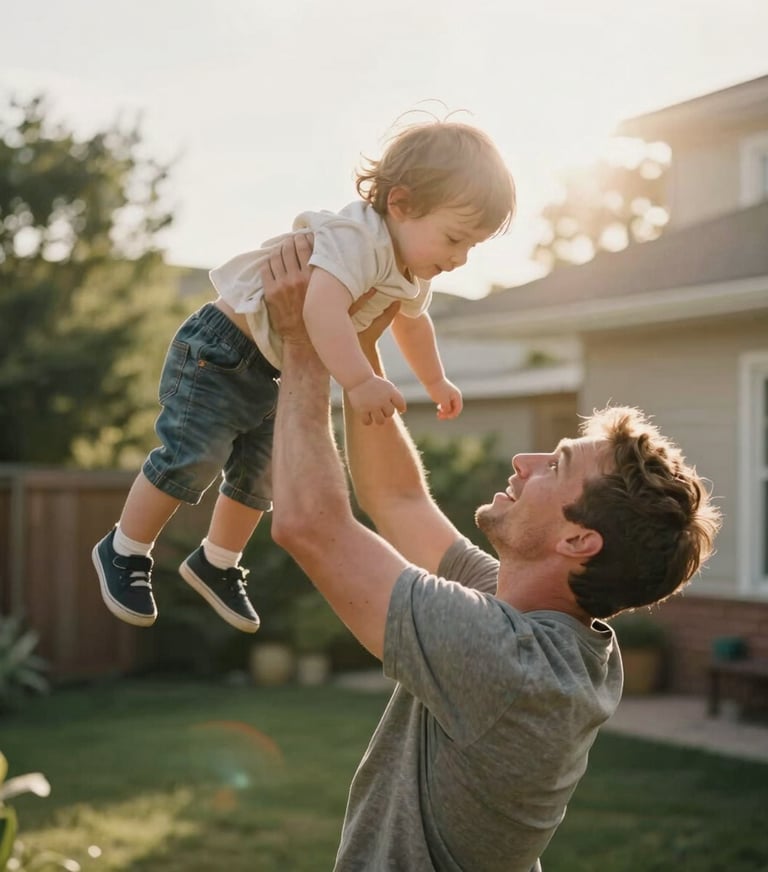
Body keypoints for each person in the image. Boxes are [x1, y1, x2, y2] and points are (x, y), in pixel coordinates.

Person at [261, 237, 722, 871]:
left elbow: (310, 525)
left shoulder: (511, 664)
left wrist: (303, 346)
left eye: (554, 465)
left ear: (577, 541)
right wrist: (360, 349)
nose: (523, 463)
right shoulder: (538, 621)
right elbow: (397, 501)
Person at [92, 118, 516, 634]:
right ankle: (125, 548)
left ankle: (217, 561)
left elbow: (413, 322)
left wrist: (434, 382)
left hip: (270, 368)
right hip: (220, 348)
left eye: (471, 246)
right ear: (402, 204)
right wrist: (358, 382)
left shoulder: (407, 267)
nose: (459, 258)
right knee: (192, 456)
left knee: (265, 476)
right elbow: (320, 310)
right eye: (454, 238)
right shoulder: (359, 238)